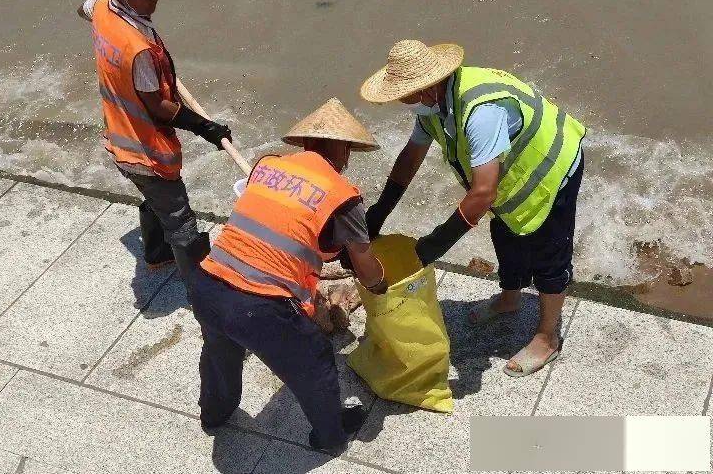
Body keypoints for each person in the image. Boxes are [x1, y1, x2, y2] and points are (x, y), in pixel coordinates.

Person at [360, 40, 586, 378]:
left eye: (404, 94)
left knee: (548, 257)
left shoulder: (480, 112)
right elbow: (411, 156)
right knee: (505, 235)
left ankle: (547, 337)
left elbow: (482, 194)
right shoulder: (432, 106)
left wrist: (432, 246)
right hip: (509, 174)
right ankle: (510, 299)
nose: (401, 100)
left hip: (550, 168)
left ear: (427, 87)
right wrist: (381, 210)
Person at [190, 98, 388, 452]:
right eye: (348, 151)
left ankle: (214, 414)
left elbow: (281, 221)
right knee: (316, 362)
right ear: (343, 149)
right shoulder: (343, 195)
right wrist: (378, 285)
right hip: (259, 307)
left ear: (306, 144)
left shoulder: (267, 166)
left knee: (221, 353)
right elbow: (364, 262)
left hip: (207, 284)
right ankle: (331, 436)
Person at [77, 0, 231, 276]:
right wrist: (207, 127)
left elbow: (83, 9)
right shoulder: (138, 49)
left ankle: (157, 253)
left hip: (118, 134)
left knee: (154, 197)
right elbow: (159, 109)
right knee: (181, 220)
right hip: (144, 150)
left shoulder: (103, 5)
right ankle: (203, 292)